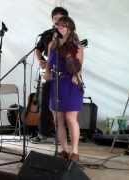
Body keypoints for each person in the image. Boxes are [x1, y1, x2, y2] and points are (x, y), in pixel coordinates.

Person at [44, 16, 84, 161]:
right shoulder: (52, 45)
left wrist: (76, 74)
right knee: (58, 119)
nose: (59, 28)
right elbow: (49, 63)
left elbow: (79, 67)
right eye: (58, 25)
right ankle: (64, 150)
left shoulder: (77, 46)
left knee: (70, 118)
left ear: (69, 29)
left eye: (63, 26)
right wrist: (47, 73)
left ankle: (75, 151)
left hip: (71, 84)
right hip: (56, 83)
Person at [30, 7, 69, 144]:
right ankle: (43, 133)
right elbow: (38, 49)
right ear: (52, 20)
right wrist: (40, 60)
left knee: (61, 104)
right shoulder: (47, 34)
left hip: (64, 74)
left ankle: (61, 135)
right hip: (48, 73)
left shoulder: (70, 36)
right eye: (55, 19)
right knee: (45, 101)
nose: (58, 21)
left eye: (61, 18)